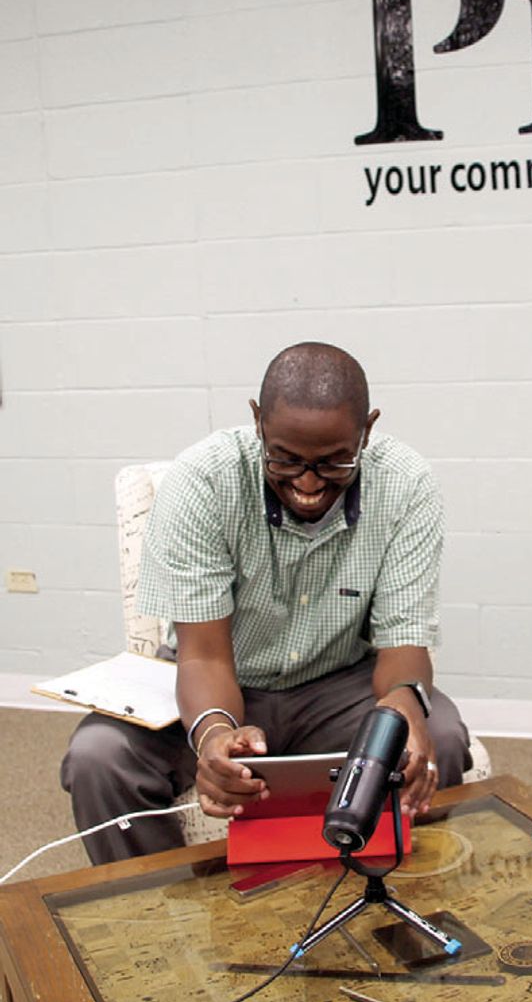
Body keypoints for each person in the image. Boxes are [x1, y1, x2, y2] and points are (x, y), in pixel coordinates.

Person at [62, 342, 472, 863]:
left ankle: (389, 900)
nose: (306, 484)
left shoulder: (406, 484)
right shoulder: (203, 481)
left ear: (367, 430)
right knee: (99, 757)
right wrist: (214, 733)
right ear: (257, 422)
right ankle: (152, 916)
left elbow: (403, 648)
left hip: (336, 683)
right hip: (218, 675)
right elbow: (204, 656)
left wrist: (405, 708)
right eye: (286, 459)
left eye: (334, 463)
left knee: (439, 736)